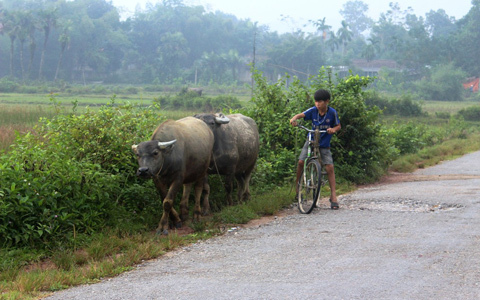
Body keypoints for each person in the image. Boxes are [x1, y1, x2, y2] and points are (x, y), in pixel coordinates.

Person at [289, 89, 341, 209]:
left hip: (324, 143)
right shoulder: (313, 111)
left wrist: (333, 129)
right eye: (316, 101)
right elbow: (301, 115)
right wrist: (294, 119)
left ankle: (333, 195)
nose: (317, 104)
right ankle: (298, 187)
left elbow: (338, 125)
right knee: (301, 162)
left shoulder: (332, 113)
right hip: (311, 140)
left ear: (326, 101)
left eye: (320, 102)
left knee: (330, 167)